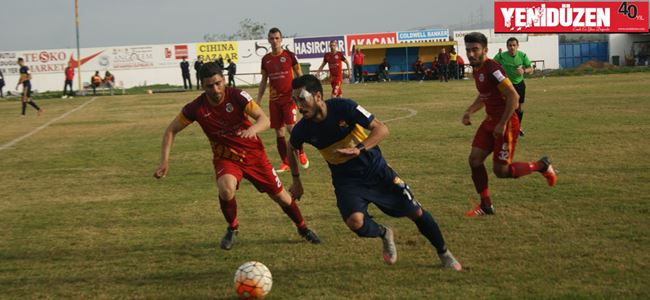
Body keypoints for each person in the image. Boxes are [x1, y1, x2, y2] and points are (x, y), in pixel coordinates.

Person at [286, 74, 462, 270]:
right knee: (355, 222)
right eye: (294, 100)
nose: (298, 106)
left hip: (376, 171)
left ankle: (444, 253)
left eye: (301, 98)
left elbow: (381, 129)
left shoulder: (344, 107)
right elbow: (291, 147)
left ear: (318, 96)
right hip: (346, 181)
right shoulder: (303, 128)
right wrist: (297, 181)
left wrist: (359, 149)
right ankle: (384, 233)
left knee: (416, 212)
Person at [153, 62, 321, 250]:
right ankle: (233, 227)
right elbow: (170, 130)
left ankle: (303, 228)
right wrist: (164, 161)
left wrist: (253, 129)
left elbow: (264, 120)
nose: (216, 89)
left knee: (281, 197)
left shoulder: (237, 95)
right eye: (210, 86)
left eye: (218, 83)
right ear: (202, 85)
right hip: (226, 158)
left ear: (224, 80)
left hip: (254, 156)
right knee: (226, 189)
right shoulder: (196, 108)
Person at [461, 32, 557, 217]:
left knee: (501, 171)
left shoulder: (493, 69)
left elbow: (514, 97)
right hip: (490, 121)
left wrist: (502, 123)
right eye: (468, 50)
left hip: (506, 123)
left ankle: (542, 165)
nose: (471, 54)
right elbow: (485, 95)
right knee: (474, 160)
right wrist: (469, 111)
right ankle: (486, 205)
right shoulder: (476, 70)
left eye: (475, 50)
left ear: (485, 50)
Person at [256, 27, 309, 172]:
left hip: (289, 98)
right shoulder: (265, 59)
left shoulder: (290, 56)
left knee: (292, 128)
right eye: (272, 38)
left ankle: (301, 152)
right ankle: (286, 162)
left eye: (277, 38)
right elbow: (263, 80)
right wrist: (258, 99)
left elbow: (299, 75)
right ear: (268, 40)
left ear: (281, 39)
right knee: (279, 132)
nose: (274, 41)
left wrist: (303, 92)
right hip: (274, 100)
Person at [494, 37, 534, 137]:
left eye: (514, 45)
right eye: (510, 45)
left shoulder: (522, 55)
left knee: (519, 107)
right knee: (509, 106)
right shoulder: (501, 56)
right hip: (507, 85)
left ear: (517, 46)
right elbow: (493, 65)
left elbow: (531, 68)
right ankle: (505, 127)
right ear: (507, 46)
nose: (512, 47)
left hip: (519, 84)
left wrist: (524, 71)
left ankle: (518, 127)